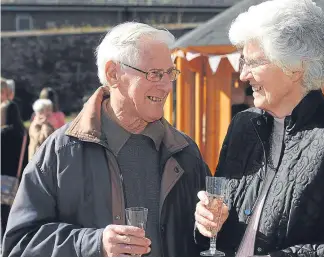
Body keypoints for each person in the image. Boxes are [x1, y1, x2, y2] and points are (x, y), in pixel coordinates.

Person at [194, 0, 324, 256]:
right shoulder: (243, 126)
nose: (243, 75)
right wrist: (208, 222)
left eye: (254, 63)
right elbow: (224, 216)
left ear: (294, 67)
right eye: (243, 62)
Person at [2, 22, 209, 257]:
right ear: (113, 74)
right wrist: (94, 244)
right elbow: (19, 245)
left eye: (170, 74)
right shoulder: (61, 152)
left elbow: (206, 241)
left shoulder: (186, 152)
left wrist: (211, 227)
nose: (166, 86)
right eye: (154, 74)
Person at [1, 84, 28, 240]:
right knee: (14, 214)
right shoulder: (24, 133)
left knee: (2, 216)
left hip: (2, 177)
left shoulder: (2, 133)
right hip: (17, 179)